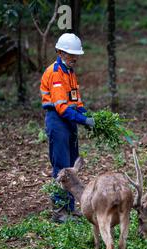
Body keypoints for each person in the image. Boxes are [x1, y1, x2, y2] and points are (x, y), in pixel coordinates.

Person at [40, 33, 95, 223]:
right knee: (61, 165)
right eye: (71, 54)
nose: (74, 58)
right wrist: (83, 120)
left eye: (76, 54)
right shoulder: (56, 73)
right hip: (58, 121)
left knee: (72, 166)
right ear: (60, 52)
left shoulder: (70, 72)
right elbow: (62, 107)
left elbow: (76, 102)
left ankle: (70, 208)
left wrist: (87, 116)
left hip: (69, 121)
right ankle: (60, 211)